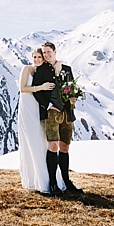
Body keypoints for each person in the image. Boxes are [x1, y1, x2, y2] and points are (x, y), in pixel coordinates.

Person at [31, 41, 83, 196]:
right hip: (52, 114)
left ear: (55, 52)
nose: (46, 55)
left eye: (49, 52)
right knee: (53, 146)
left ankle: (66, 181)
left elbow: (72, 87)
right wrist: (48, 106)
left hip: (67, 112)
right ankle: (53, 183)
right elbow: (37, 92)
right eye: (44, 52)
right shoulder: (41, 70)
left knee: (65, 147)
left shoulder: (66, 69)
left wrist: (73, 98)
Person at [17, 48, 57, 193]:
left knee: (40, 141)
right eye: (34, 57)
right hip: (26, 108)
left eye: (39, 57)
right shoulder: (27, 69)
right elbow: (22, 88)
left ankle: (42, 178)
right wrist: (41, 87)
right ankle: (33, 180)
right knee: (31, 141)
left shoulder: (39, 71)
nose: (36, 59)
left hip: (36, 107)